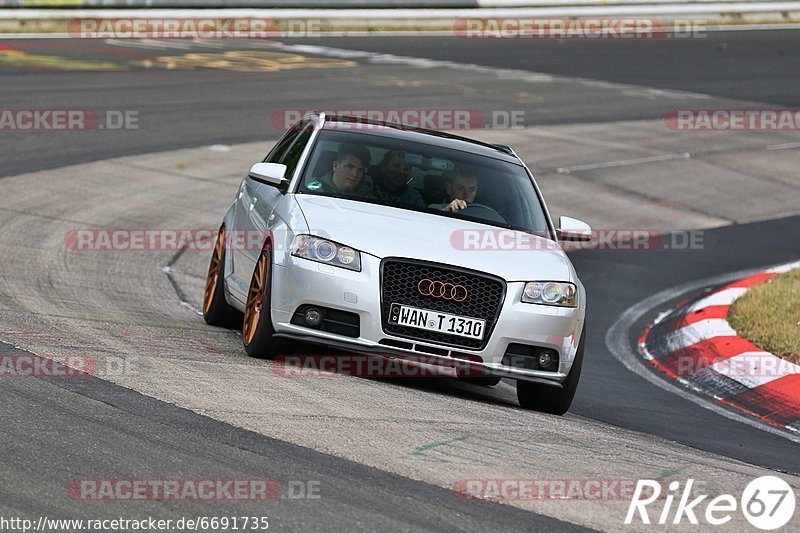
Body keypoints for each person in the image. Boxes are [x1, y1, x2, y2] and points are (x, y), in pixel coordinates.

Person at [308, 144, 373, 197]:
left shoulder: (368, 196)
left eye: (360, 170)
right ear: (335, 166)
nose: (355, 174)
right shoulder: (313, 189)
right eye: (350, 167)